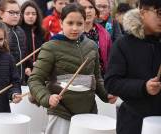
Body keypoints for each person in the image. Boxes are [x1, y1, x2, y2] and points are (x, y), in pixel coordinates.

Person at [28, 3, 117, 134]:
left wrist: (106, 94)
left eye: (79, 24)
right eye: (70, 23)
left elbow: (96, 78)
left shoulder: (91, 46)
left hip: (88, 111)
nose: (75, 28)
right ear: (61, 22)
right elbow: (35, 80)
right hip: (61, 111)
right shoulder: (50, 47)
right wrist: (47, 98)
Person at [105, 0, 161, 134]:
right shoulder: (124, 44)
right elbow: (111, 83)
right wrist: (143, 87)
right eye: (159, 13)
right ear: (143, 13)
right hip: (134, 123)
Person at [0, 0, 27, 84]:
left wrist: (29, 65)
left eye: (18, 13)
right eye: (11, 12)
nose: (15, 16)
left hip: (20, 79)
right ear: (1, 13)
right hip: (4, 81)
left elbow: (24, 53)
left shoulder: (20, 31)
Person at [78, 0, 112, 76]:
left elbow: (109, 59)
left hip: (101, 79)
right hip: (77, 80)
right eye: (83, 8)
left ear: (96, 12)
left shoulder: (105, 34)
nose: (88, 11)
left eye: (91, 7)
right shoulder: (71, 32)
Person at [20, 0, 45, 77]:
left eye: (34, 14)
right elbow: (22, 53)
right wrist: (30, 64)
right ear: (22, 15)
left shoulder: (40, 31)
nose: (31, 16)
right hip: (24, 70)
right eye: (27, 14)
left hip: (39, 69)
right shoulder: (19, 31)